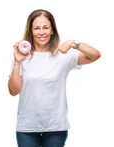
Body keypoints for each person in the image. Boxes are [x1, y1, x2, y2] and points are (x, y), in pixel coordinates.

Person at [8, 9, 101, 147]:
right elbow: (13, 91)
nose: (41, 32)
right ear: (31, 31)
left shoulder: (63, 55)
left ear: (52, 30)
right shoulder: (22, 56)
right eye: (37, 28)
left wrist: (73, 43)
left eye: (46, 27)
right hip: (27, 126)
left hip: (55, 126)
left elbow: (95, 55)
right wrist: (17, 63)